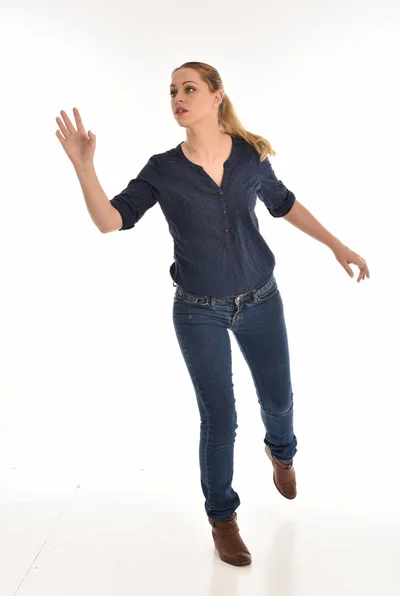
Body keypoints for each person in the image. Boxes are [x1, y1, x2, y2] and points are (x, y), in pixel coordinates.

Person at [55, 61, 370, 567]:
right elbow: (110, 222)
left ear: (216, 96)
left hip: (261, 300)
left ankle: (282, 452)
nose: (178, 97)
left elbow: (284, 203)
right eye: (173, 91)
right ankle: (223, 518)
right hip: (198, 310)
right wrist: (83, 166)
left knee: (280, 398)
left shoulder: (249, 156)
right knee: (219, 416)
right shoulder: (163, 169)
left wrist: (337, 244)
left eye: (189, 89)